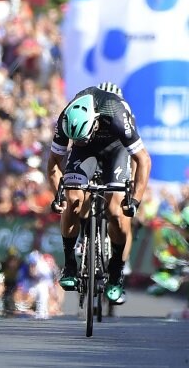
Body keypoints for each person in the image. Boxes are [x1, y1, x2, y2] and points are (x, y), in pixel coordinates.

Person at [46, 83, 151, 304]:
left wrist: (135, 200)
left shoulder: (117, 113)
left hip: (116, 150)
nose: (81, 140)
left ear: (94, 121)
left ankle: (116, 274)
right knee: (73, 200)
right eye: (78, 138)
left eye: (83, 136)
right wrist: (59, 196)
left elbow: (143, 160)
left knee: (116, 212)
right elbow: (54, 163)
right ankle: (70, 265)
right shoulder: (67, 116)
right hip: (86, 152)